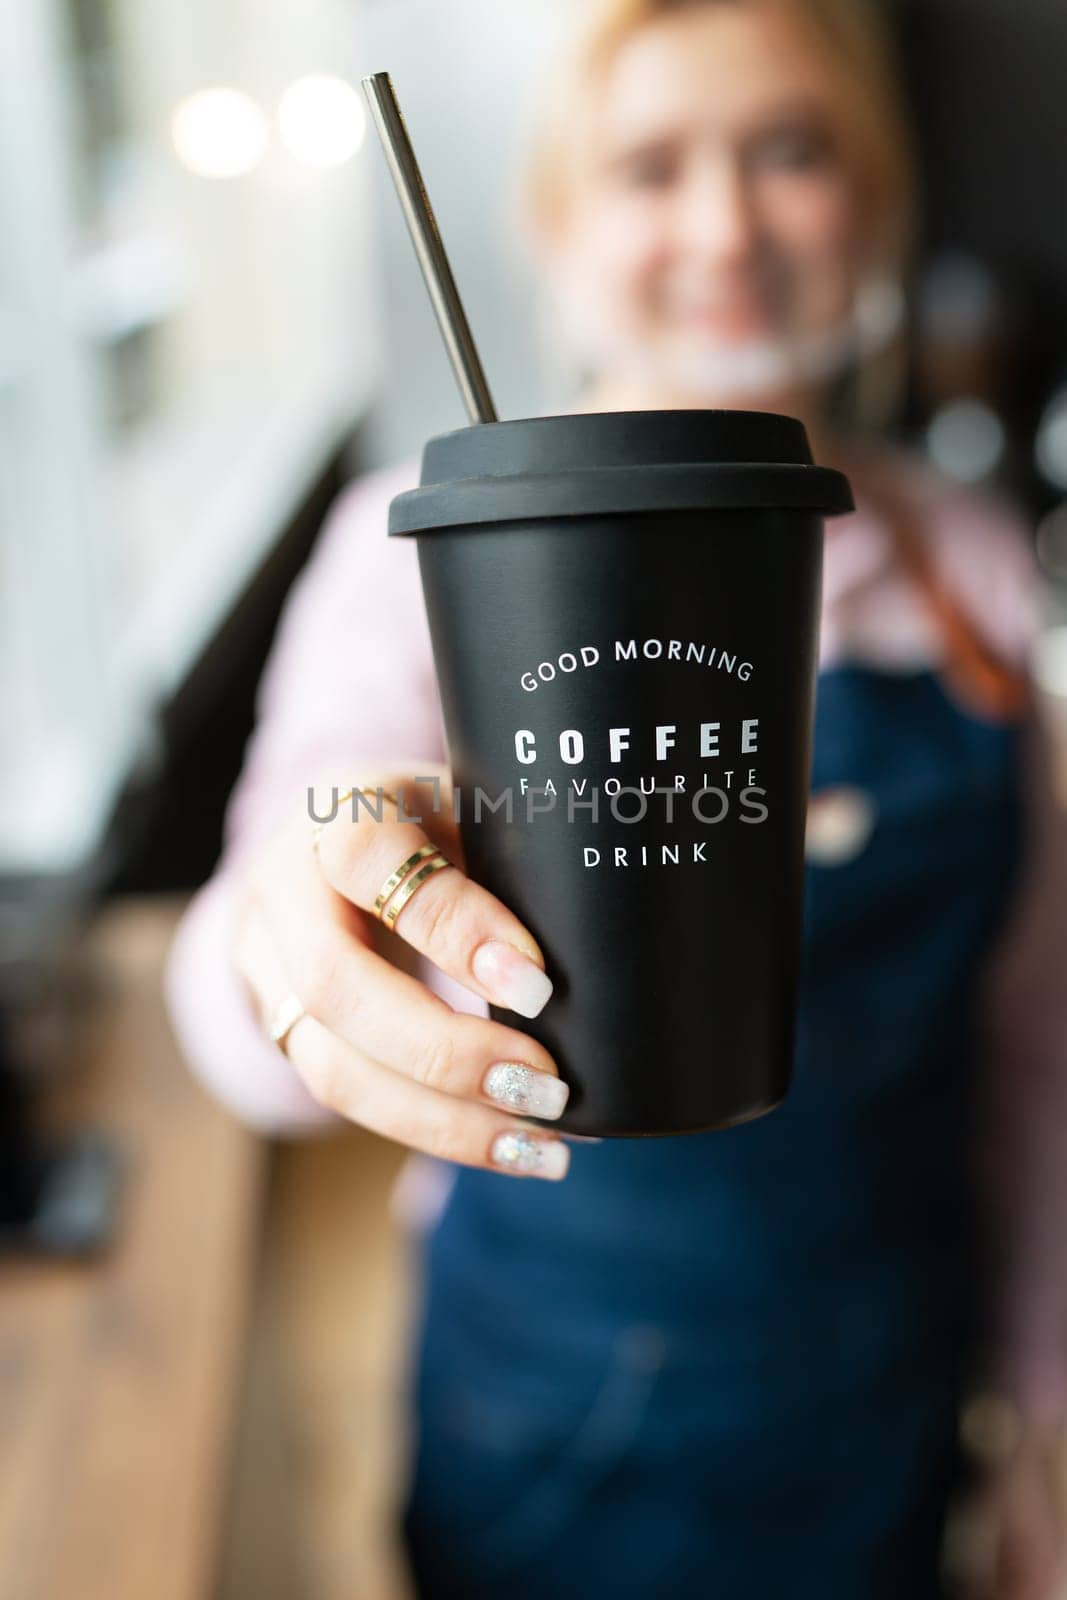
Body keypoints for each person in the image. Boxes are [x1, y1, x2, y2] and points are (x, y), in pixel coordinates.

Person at [164, 1, 1067, 1594]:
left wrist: (1049, 1406)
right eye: (651, 166)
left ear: (872, 193)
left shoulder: (972, 567)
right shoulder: (421, 563)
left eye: (789, 151)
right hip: (553, 1412)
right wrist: (298, 937)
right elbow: (248, 991)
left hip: (892, 1384)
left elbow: (1035, 1044)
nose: (725, 224)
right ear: (559, 223)